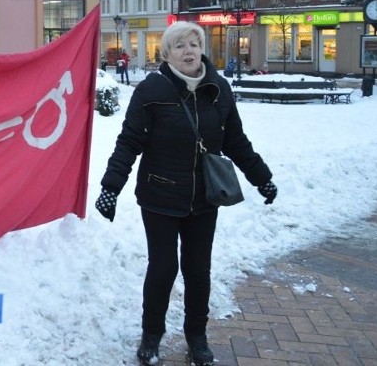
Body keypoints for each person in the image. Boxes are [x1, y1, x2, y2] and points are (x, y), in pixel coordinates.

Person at [94, 21, 277, 366]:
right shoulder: (152, 91)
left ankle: (197, 337)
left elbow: (236, 141)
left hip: (205, 197)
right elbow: (129, 142)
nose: (189, 51)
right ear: (166, 54)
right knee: (163, 268)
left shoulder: (218, 88)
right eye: (180, 46)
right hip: (160, 195)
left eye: (194, 43)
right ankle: (152, 336)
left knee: (198, 270)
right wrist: (110, 188)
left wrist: (261, 177)